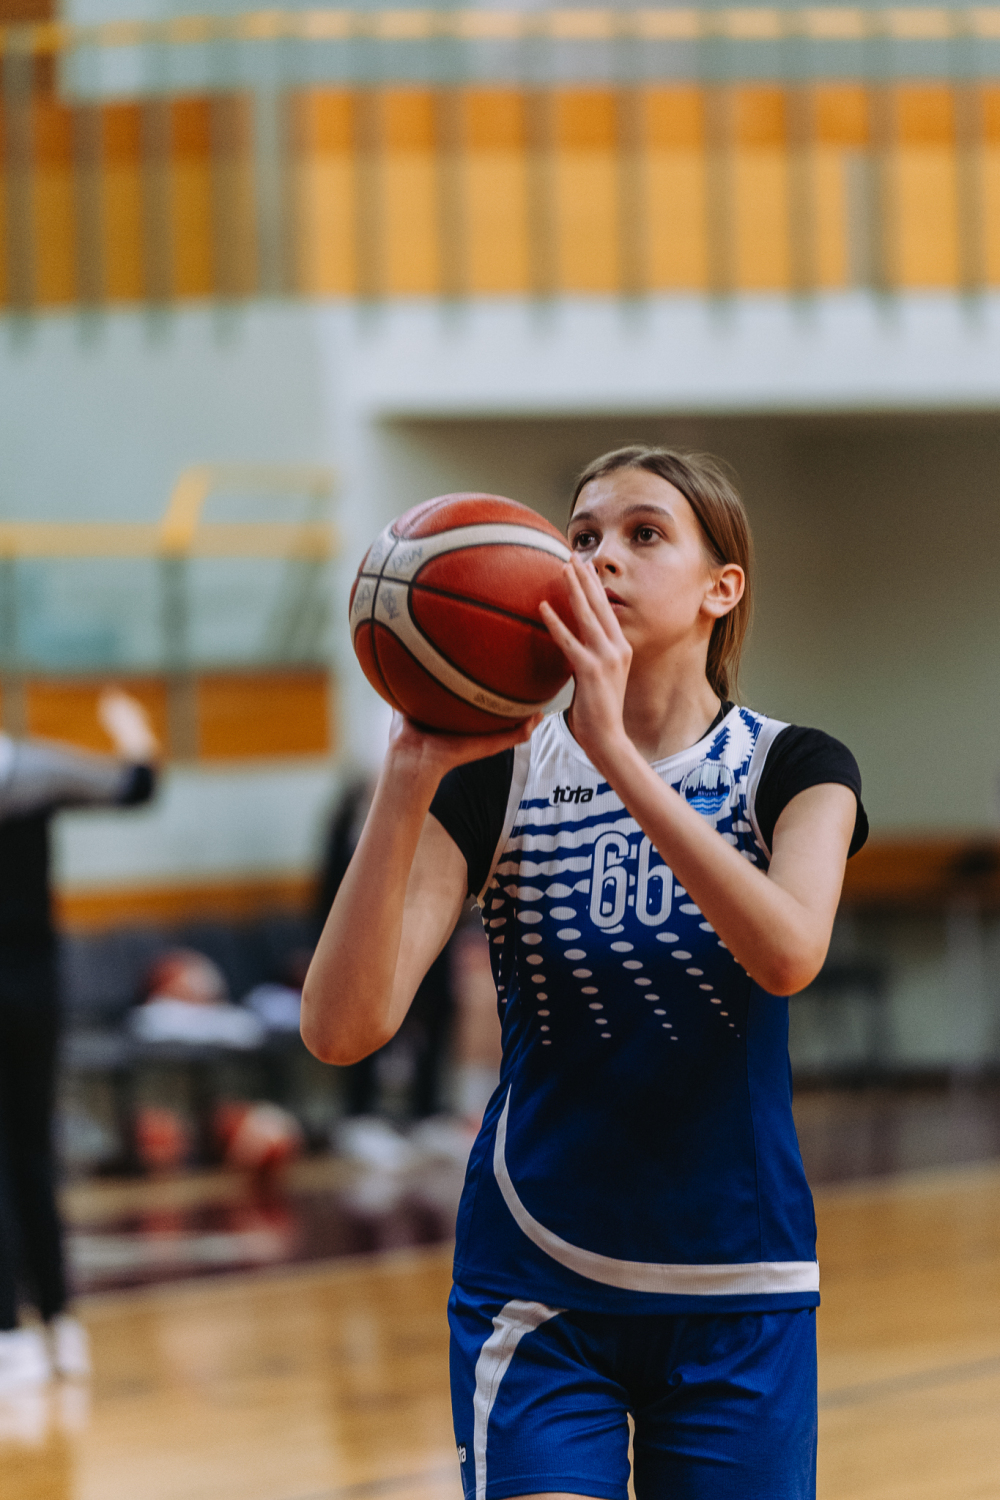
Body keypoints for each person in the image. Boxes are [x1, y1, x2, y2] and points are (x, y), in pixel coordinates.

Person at [301, 446, 868, 1500]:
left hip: (739, 1284)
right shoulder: (500, 781)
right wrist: (409, 773)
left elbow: (788, 953)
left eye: (644, 534)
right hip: (535, 1284)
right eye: (583, 536)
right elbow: (341, 1030)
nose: (603, 556)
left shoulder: (793, 768)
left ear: (721, 589)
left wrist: (617, 758)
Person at [0, 690, 159, 1392]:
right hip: (37, 989)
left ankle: (10, 1336)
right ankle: (62, 1326)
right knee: (34, 1153)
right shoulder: (34, 769)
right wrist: (134, 731)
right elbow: (137, 786)